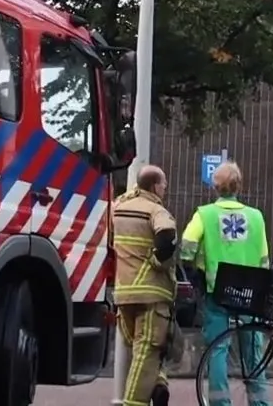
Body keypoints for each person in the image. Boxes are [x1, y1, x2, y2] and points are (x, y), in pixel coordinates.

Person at [180, 160, 271, 406]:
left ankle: (220, 403)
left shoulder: (205, 214)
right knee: (253, 351)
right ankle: (260, 403)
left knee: (218, 349)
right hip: (251, 292)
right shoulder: (256, 217)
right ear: (239, 186)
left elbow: (187, 246)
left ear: (215, 186)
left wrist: (196, 265)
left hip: (218, 291)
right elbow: (264, 258)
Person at [112, 165, 180, 406]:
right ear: (154, 186)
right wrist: (157, 260)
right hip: (152, 294)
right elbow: (167, 239)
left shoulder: (118, 207)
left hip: (123, 294)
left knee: (139, 349)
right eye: (163, 184)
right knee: (147, 350)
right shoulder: (156, 210)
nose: (165, 188)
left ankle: (159, 382)